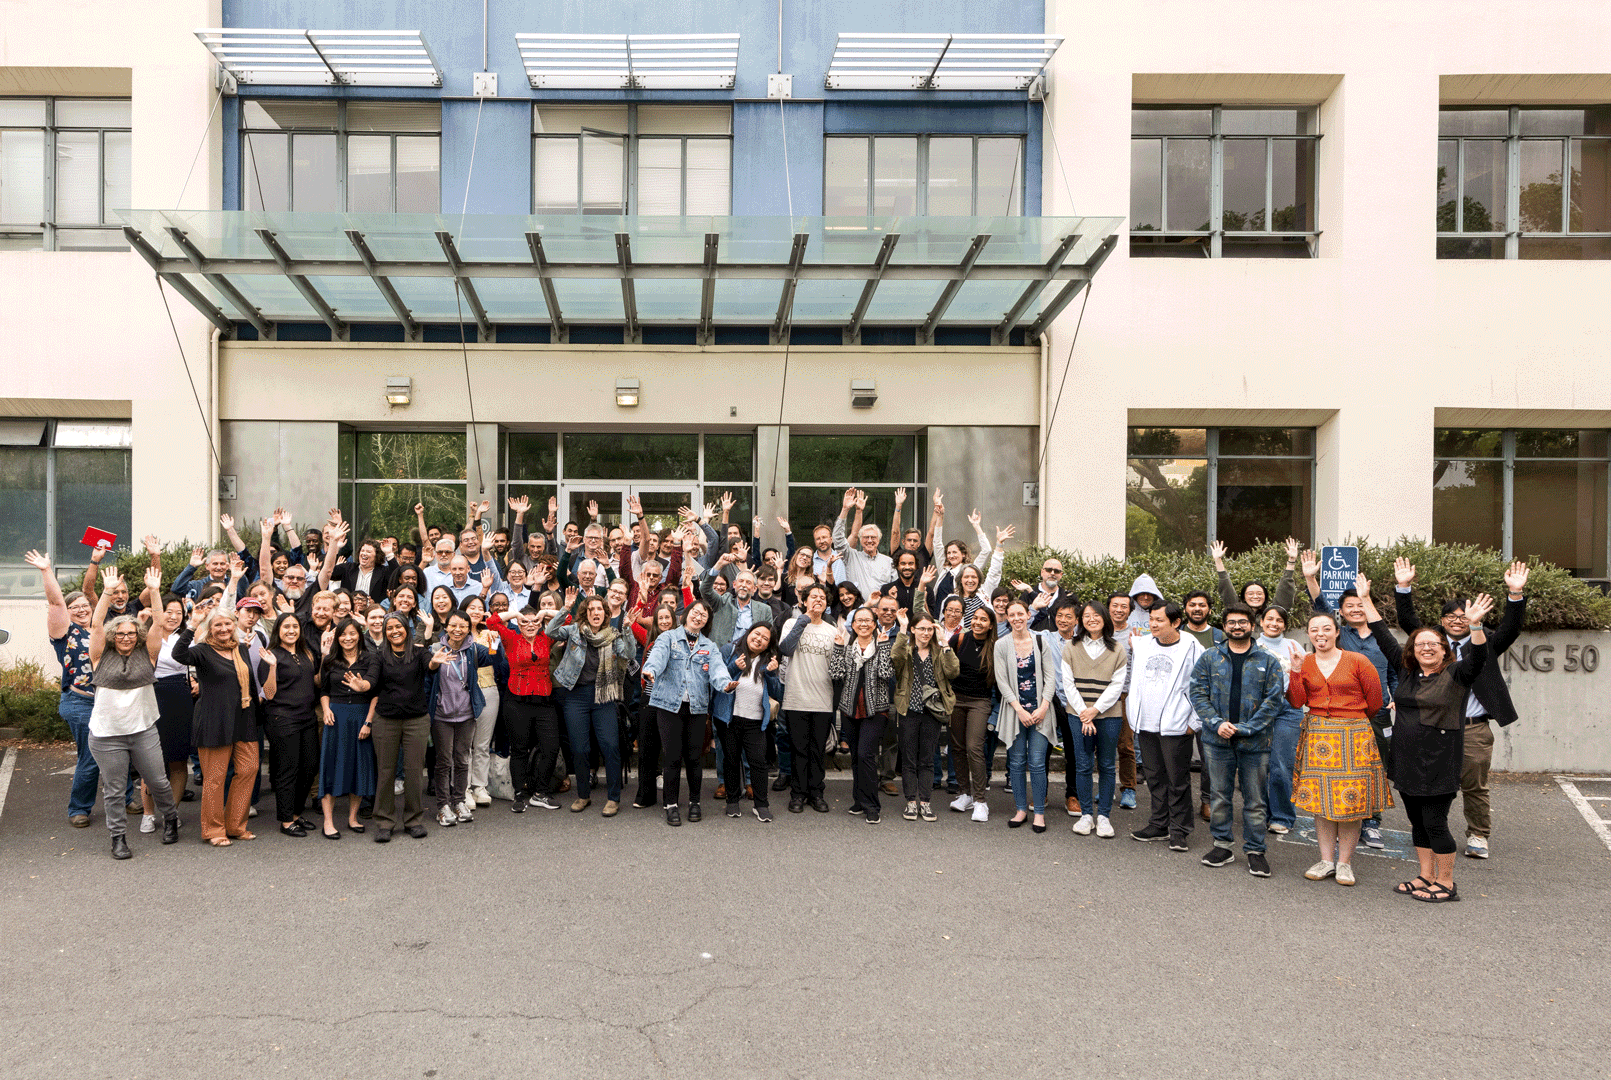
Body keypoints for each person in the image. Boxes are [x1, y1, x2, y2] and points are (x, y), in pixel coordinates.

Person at [1394, 558, 1528, 861]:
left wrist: (1515, 594)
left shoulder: (1486, 643)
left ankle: (1478, 834)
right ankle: (1433, 831)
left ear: (1471, 617)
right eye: (1450, 616)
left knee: (1474, 784)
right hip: (1432, 727)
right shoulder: (1430, 645)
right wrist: (1403, 587)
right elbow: (1406, 620)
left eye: (1462, 616)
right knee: (1431, 785)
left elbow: (1513, 626)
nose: (1457, 620)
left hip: (1472, 727)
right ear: (1441, 621)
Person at [1375, 585, 1494, 903]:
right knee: (1416, 822)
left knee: (1435, 823)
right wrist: (1364, 601)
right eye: (1419, 644)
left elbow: (1479, 657)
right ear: (1412, 651)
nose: (1426, 648)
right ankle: (1426, 875)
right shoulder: (1407, 673)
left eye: (1433, 644)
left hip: (1439, 763)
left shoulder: (1457, 675)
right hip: (1406, 760)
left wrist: (1476, 625)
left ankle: (1446, 882)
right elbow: (1383, 636)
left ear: (1445, 651)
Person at [24, 550, 135, 829]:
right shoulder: (65, 632)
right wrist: (46, 570)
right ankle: (79, 808)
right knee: (92, 754)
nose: (82, 609)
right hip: (81, 702)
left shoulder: (104, 629)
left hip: (110, 700)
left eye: (85, 604)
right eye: (76, 607)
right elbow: (55, 603)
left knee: (121, 751)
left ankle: (126, 796)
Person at [1301, 551, 1400, 849]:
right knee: (1339, 770)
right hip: (1344, 715)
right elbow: (1321, 608)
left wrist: (1395, 697)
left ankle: (1372, 822)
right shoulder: (1339, 634)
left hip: (1379, 711)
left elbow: (1394, 671)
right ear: (1341, 613)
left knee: (1375, 766)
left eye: (1360, 605)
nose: (1356, 610)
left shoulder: (1384, 637)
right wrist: (1310, 577)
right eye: (1349, 607)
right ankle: (1339, 816)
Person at [1288, 611, 1388, 886]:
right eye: (1314, 630)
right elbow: (1297, 701)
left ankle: (1344, 863)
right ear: (1308, 634)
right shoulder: (1304, 662)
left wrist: (1350, 721)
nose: (1320, 634)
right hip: (1318, 735)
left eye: (1326, 629)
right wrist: (1295, 672)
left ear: (1336, 632)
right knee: (1322, 802)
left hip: (1353, 736)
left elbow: (1375, 701)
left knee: (1350, 801)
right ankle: (1325, 860)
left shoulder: (1357, 660)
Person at [85, 566, 179, 858]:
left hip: (143, 731)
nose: (126, 637)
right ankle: (118, 838)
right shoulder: (100, 657)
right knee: (113, 790)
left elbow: (160, 625)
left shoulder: (147, 655)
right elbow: (97, 624)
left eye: (131, 632)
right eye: (121, 633)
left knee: (158, 781)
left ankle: (171, 819)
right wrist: (108, 591)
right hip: (106, 735)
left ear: (137, 634)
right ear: (114, 636)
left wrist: (154, 590)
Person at [1189, 604, 1288, 878]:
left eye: (1242, 622)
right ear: (1224, 626)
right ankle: (1222, 845)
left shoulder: (1268, 660)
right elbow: (1197, 693)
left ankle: (1256, 851)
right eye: (1231, 622)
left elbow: (1274, 699)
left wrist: (1246, 728)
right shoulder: (1210, 658)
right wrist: (1216, 723)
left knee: (1255, 800)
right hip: (1216, 740)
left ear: (1252, 626)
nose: (1237, 626)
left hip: (1255, 743)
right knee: (1219, 797)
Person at [171, 605, 262, 847]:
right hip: (214, 720)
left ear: (235, 625)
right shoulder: (202, 651)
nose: (223, 629)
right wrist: (192, 625)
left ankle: (235, 825)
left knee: (249, 768)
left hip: (243, 718)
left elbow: (250, 686)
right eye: (217, 625)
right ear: (210, 629)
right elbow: (178, 655)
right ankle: (213, 830)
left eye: (227, 623)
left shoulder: (241, 649)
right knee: (214, 778)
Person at [641, 600, 734, 826]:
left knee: (694, 758)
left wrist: (725, 683)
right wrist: (650, 670)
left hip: (697, 708)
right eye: (695, 612)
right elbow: (657, 657)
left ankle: (694, 802)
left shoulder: (709, 646)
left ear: (706, 621)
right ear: (686, 614)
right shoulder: (668, 638)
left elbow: (718, 669)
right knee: (672, 757)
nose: (698, 616)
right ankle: (671, 804)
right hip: (667, 706)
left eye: (703, 615)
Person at [547, 593, 636, 816]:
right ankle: (583, 795)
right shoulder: (574, 631)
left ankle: (613, 799)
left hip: (603, 696)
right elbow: (550, 632)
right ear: (586, 613)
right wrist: (565, 609)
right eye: (592, 609)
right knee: (579, 748)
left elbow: (630, 654)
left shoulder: (613, 635)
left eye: (600, 609)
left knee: (610, 746)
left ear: (606, 614)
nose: (596, 612)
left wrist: (627, 628)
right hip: (576, 696)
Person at [1127, 602, 1205, 849]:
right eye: (1151, 619)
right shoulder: (1143, 644)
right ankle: (1158, 824)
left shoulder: (1192, 646)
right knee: (1154, 777)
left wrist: (1194, 722)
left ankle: (1180, 830)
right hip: (1145, 724)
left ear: (1175, 623)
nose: (1153, 624)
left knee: (1177, 779)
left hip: (1177, 724)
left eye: (1159, 620)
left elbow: (1202, 686)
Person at [1062, 602, 1128, 839]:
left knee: (1108, 765)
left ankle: (1104, 817)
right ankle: (1086, 815)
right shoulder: (1071, 646)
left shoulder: (1118, 649)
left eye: (1096, 615)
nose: (1092, 619)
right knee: (1083, 764)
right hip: (1077, 714)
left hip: (1108, 715)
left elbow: (1117, 685)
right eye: (1087, 616)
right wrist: (1084, 712)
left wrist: (1095, 711)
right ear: (1081, 620)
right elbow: (1067, 683)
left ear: (1105, 619)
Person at [995, 599, 1060, 833]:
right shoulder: (1001, 645)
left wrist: (1043, 707)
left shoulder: (1041, 641)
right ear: (1007, 617)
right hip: (1015, 713)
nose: (1016, 618)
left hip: (1041, 711)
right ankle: (1021, 809)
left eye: (1020, 614)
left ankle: (1039, 813)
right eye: (1011, 615)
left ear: (1028, 615)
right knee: (1016, 762)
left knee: (1037, 763)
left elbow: (1051, 677)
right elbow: (1001, 680)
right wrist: (1019, 709)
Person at [257, 612, 324, 838]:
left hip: (306, 717)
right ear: (278, 630)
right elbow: (268, 693)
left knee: (310, 766)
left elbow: (315, 681)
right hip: (282, 718)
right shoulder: (271, 656)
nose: (291, 631)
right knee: (289, 770)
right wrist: (273, 667)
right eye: (286, 627)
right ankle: (286, 820)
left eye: (295, 626)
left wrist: (324, 656)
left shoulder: (305, 653)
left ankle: (296, 813)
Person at [827, 606, 896, 823]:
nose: (864, 624)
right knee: (856, 757)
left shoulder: (883, 645)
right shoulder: (847, 650)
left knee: (866, 755)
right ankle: (859, 800)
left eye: (868, 620)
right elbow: (836, 674)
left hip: (876, 711)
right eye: (859, 620)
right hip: (849, 710)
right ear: (853, 625)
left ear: (874, 624)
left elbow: (886, 673)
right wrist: (838, 648)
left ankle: (872, 806)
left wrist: (884, 646)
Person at [891, 600, 957, 823]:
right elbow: (895, 660)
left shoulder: (939, 651)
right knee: (909, 759)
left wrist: (945, 642)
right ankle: (911, 802)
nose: (926, 633)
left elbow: (953, 671)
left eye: (930, 629)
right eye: (921, 628)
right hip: (909, 709)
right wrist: (901, 629)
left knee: (928, 758)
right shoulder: (906, 649)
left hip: (932, 711)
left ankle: (926, 803)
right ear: (913, 629)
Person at [425, 610, 492, 829]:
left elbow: (497, 658)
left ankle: (459, 801)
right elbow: (427, 675)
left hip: (466, 713)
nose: (457, 630)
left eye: (463, 626)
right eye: (453, 625)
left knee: (463, 759)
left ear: (468, 627)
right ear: (446, 626)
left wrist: (493, 641)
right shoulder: (436, 649)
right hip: (442, 714)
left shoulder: (473, 650)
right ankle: (443, 806)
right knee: (444, 761)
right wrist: (434, 664)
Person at [371, 612, 434, 842]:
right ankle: (385, 822)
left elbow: (431, 665)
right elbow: (371, 680)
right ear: (385, 632)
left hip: (416, 719)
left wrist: (435, 661)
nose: (394, 631)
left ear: (406, 629)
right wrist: (362, 684)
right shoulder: (379, 655)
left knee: (414, 772)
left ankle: (414, 820)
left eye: (398, 626)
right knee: (386, 772)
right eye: (389, 628)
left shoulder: (418, 651)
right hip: (386, 719)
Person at [777, 583, 838, 814]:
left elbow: (837, 665)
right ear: (804, 600)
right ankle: (798, 794)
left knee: (816, 750)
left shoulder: (832, 630)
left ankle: (816, 792)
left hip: (823, 698)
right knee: (799, 749)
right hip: (796, 697)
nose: (818, 600)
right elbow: (786, 648)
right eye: (813, 596)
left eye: (822, 597)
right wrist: (805, 619)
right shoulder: (793, 623)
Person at [712, 623, 783, 822]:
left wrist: (770, 674)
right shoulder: (730, 650)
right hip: (729, 718)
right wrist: (734, 667)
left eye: (765, 638)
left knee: (758, 763)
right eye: (756, 634)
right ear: (748, 633)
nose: (759, 639)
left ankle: (761, 805)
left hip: (756, 721)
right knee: (731, 760)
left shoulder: (769, 661)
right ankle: (732, 801)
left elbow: (778, 693)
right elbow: (717, 678)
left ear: (768, 645)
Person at [318, 616, 378, 838]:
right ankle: (328, 821)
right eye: (343, 634)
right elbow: (323, 690)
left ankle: (352, 818)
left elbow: (375, 693)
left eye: (352, 633)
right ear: (337, 637)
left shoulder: (371, 659)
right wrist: (326, 710)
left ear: (359, 635)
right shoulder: (330, 661)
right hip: (336, 716)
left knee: (358, 768)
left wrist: (368, 721)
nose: (348, 638)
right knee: (331, 767)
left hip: (361, 717)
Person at [1253, 606, 1308, 836]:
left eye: (1279, 620)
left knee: (1282, 765)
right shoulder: (1252, 646)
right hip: (1258, 709)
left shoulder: (1294, 647)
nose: (1274, 623)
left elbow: (1303, 683)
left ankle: (1282, 816)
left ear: (1285, 625)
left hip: (1288, 709)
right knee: (1257, 765)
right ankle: (1259, 813)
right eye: (1269, 619)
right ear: (1261, 622)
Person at [947, 605, 998, 822]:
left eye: (983, 620)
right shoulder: (958, 640)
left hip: (980, 701)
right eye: (975, 618)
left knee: (974, 747)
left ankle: (980, 801)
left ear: (991, 625)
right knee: (957, 747)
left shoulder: (996, 646)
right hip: (956, 699)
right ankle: (964, 793)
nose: (978, 622)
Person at [460, 594, 504, 811]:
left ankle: (479, 786)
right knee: (464, 743)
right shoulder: (457, 633)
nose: (476, 611)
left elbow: (497, 661)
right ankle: (464, 788)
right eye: (471, 607)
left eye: (479, 608)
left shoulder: (490, 634)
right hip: (462, 692)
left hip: (488, 689)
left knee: (483, 743)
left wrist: (494, 640)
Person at [831, 488, 897, 600]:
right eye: (866, 537)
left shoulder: (888, 562)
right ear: (860, 541)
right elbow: (837, 538)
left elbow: (894, 589)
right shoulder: (851, 556)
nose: (870, 540)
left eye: (873, 537)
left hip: (880, 612)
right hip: (856, 610)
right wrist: (845, 509)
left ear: (879, 540)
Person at [1106, 592, 1139, 809]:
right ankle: (1105, 789)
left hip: (1126, 695)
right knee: (1103, 746)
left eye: (1124, 606)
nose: (1119, 609)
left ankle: (1128, 789)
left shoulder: (1136, 634)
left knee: (1126, 745)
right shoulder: (1099, 631)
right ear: (1108, 608)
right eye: (1115, 605)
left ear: (1130, 609)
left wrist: (1137, 647)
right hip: (1101, 695)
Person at [1210, 537, 1298, 619]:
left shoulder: (1271, 616)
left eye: (1259, 593)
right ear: (1244, 597)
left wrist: (1291, 560)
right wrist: (1218, 561)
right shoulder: (1237, 613)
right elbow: (1227, 590)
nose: (1255, 596)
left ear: (1265, 597)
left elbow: (1284, 594)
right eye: (1250, 594)